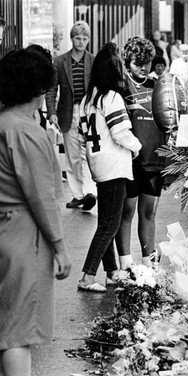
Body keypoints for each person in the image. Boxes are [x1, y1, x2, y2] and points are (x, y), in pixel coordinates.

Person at [0, 47, 71, 375]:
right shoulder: (28, 132)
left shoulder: (4, 123)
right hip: (24, 237)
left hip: (4, 231)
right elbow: (41, 197)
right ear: (41, 90)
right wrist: (59, 247)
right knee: (18, 331)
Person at [77, 42, 142, 292]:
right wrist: (137, 147)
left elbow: (82, 137)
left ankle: (112, 272)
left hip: (97, 165)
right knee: (109, 224)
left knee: (108, 220)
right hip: (114, 165)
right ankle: (87, 276)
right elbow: (120, 132)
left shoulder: (86, 101)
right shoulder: (111, 97)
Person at [116, 36, 164, 270]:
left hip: (155, 159)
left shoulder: (158, 86)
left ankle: (149, 263)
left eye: (147, 61)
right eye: (138, 62)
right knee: (127, 212)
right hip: (129, 160)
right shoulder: (121, 86)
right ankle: (125, 264)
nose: (144, 67)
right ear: (127, 62)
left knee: (149, 212)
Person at [46, 21, 97, 211]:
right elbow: (51, 90)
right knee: (72, 156)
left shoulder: (93, 61)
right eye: (78, 38)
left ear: (88, 40)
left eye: (85, 38)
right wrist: (51, 113)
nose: (81, 42)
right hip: (67, 113)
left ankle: (91, 191)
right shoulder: (60, 61)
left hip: (89, 112)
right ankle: (78, 195)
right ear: (72, 38)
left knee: (91, 152)